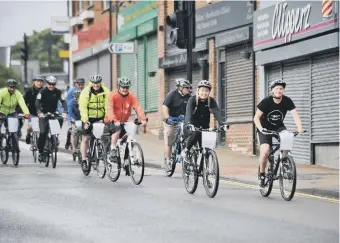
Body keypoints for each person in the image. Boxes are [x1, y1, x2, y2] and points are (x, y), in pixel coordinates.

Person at [253, 79, 304, 188]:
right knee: (265, 151)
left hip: (279, 127)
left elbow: (295, 115)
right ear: (272, 90)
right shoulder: (266, 102)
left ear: (283, 90)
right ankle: (262, 174)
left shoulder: (287, 101)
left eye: (281, 88)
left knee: (287, 138)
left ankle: (284, 161)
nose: (279, 90)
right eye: (277, 88)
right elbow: (256, 118)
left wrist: (299, 127)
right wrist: (261, 129)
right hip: (264, 128)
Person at [105, 77, 147, 175]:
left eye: (126, 87)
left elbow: (138, 107)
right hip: (111, 120)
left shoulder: (131, 96)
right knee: (118, 129)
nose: (125, 89)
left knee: (130, 138)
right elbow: (109, 109)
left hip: (124, 121)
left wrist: (143, 118)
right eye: (123, 87)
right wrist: (114, 120)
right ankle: (113, 149)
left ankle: (127, 163)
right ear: (119, 87)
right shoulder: (113, 95)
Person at [182, 80, 228, 162]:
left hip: (204, 126)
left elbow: (216, 112)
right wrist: (188, 123)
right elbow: (188, 113)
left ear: (209, 92)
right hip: (191, 126)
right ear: (198, 91)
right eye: (202, 90)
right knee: (195, 133)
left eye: (206, 91)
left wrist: (222, 124)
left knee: (206, 148)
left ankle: (203, 167)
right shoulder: (192, 100)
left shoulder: (211, 101)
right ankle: (186, 150)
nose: (204, 93)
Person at [78, 73, 109, 171]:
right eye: (94, 83)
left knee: (106, 135)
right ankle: (83, 160)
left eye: (98, 83)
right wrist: (85, 120)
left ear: (100, 83)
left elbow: (108, 106)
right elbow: (82, 107)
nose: (96, 85)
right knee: (86, 138)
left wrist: (108, 118)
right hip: (88, 117)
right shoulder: (85, 92)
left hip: (101, 117)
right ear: (91, 83)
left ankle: (102, 153)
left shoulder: (106, 91)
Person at [35, 76, 67, 162]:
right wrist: (39, 112)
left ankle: (55, 136)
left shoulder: (58, 92)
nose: (51, 86)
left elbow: (63, 102)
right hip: (43, 113)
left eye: (53, 84)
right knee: (42, 133)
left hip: (53, 112)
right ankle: (41, 152)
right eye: (50, 84)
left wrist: (65, 112)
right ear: (46, 84)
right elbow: (37, 102)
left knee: (60, 119)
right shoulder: (42, 91)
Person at [162, 78, 191, 168]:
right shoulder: (172, 95)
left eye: (189, 88)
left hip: (184, 120)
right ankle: (168, 160)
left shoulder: (189, 97)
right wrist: (168, 118)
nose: (188, 90)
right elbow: (165, 106)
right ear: (180, 88)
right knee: (169, 139)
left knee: (190, 135)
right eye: (186, 88)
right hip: (172, 120)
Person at [65, 78, 85, 149]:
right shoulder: (71, 90)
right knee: (72, 129)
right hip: (72, 111)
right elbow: (67, 101)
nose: (81, 86)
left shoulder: (85, 91)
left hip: (81, 113)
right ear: (76, 84)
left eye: (82, 85)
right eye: (79, 84)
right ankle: (68, 142)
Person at [24, 75, 44, 144]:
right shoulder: (29, 91)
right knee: (30, 127)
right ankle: (28, 135)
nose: (39, 83)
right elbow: (24, 102)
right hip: (32, 113)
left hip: (42, 113)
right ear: (34, 82)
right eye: (38, 81)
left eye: (41, 82)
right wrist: (24, 111)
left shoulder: (45, 91)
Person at [70, 90, 81, 157]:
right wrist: (72, 119)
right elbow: (70, 112)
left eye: (78, 97)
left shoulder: (83, 101)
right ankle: (74, 149)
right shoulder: (71, 103)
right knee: (74, 132)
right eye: (76, 97)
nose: (77, 98)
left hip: (82, 120)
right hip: (75, 120)